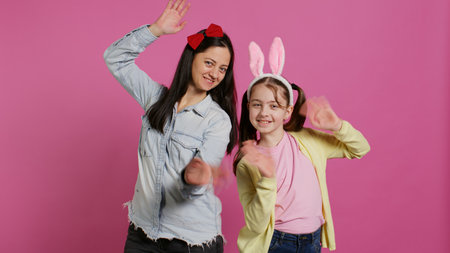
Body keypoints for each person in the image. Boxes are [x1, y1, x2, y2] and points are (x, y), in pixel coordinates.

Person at [103, 0, 238, 252]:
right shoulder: (156, 98)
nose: (215, 74)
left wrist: (196, 179)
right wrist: (155, 30)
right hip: (142, 232)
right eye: (209, 62)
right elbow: (114, 58)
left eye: (223, 68)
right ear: (192, 57)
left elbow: (198, 182)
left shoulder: (217, 120)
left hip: (190, 240)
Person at [234, 37, 370, 253]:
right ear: (248, 106)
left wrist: (337, 125)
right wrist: (267, 180)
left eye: (274, 106)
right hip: (276, 243)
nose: (264, 113)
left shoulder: (308, 140)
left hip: (312, 240)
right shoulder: (248, 161)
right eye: (257, 105)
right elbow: (256, 224)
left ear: (288, 111)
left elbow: (361, 148)